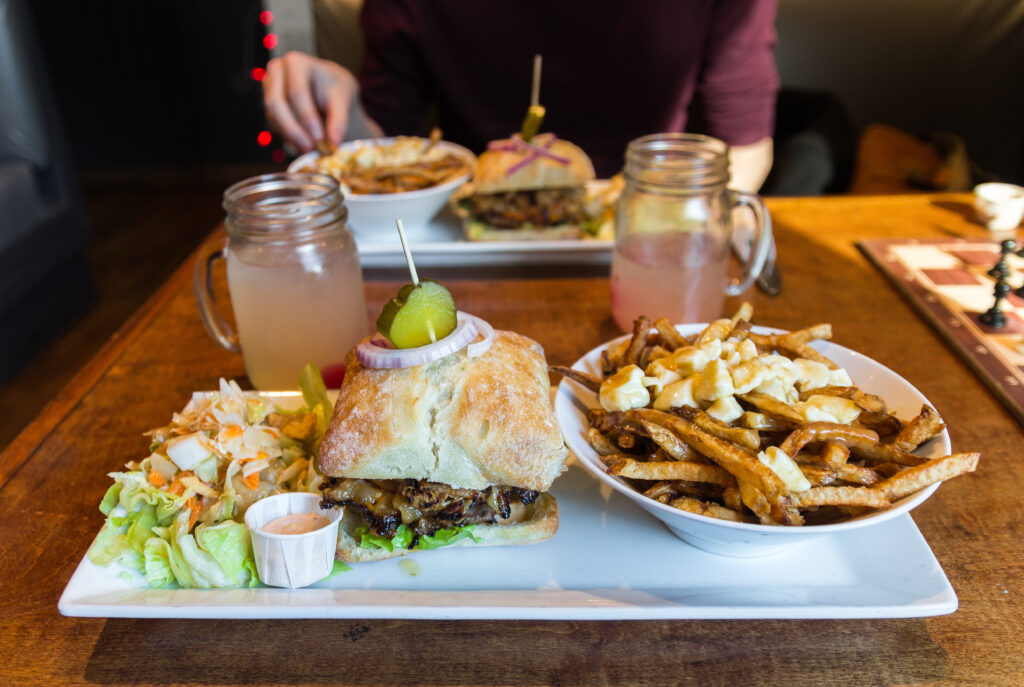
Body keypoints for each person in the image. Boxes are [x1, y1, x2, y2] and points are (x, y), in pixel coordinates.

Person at [263, 0, 778, 191]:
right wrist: (343, 109)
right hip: (470, 241)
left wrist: (668, 222)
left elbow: (743, 148)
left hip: (650, 214)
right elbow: (390, 152)